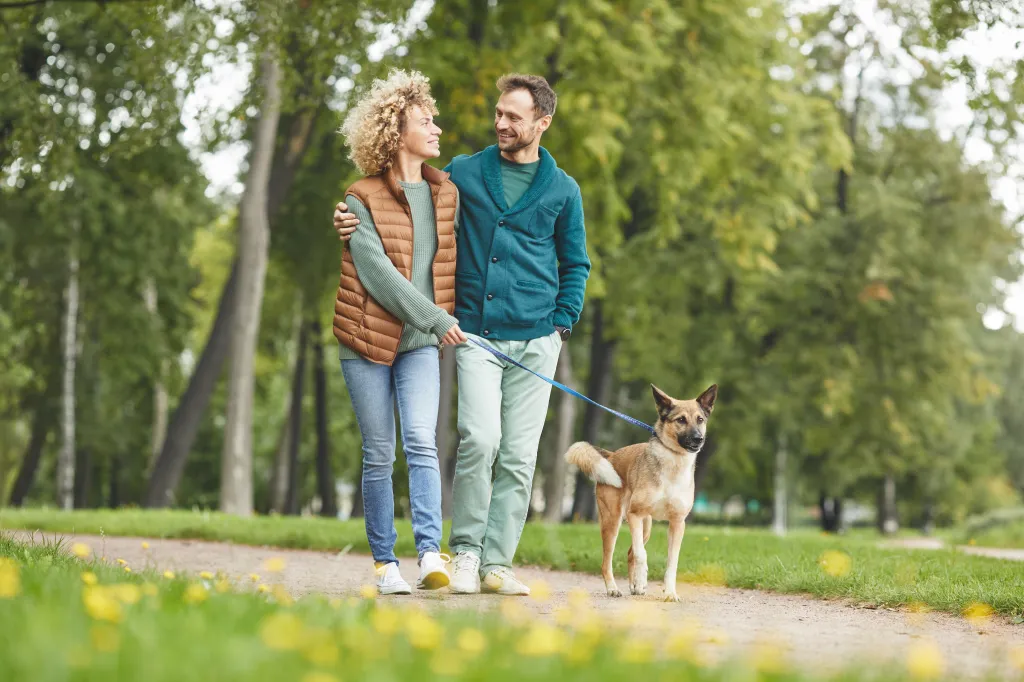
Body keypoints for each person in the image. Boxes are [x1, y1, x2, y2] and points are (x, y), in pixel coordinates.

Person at [335, 73, 591, 596]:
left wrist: (563, 321)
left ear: (541, 123)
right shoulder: (462, 175)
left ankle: (498, 562)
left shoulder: (564, 189)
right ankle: (466, 554)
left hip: (539, 338)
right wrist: (346, 215)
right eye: (498, 113)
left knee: (520, 457)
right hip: (474, 332)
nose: (500, 122)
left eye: (513, 117)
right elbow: (402, 199)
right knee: (479, 440)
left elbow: (576, 261)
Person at [331, 68, 468, 595]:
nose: (436, 128)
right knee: (379, 452)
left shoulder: (445, 192)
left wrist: (438, 325)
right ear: (396, 132)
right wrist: (438, 318)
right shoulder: (360, 197)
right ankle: (385, 563)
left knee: (422, 443)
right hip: (365, 340)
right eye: (425, 120)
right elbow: (379, 276)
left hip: (418, 346)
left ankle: (432, 554)